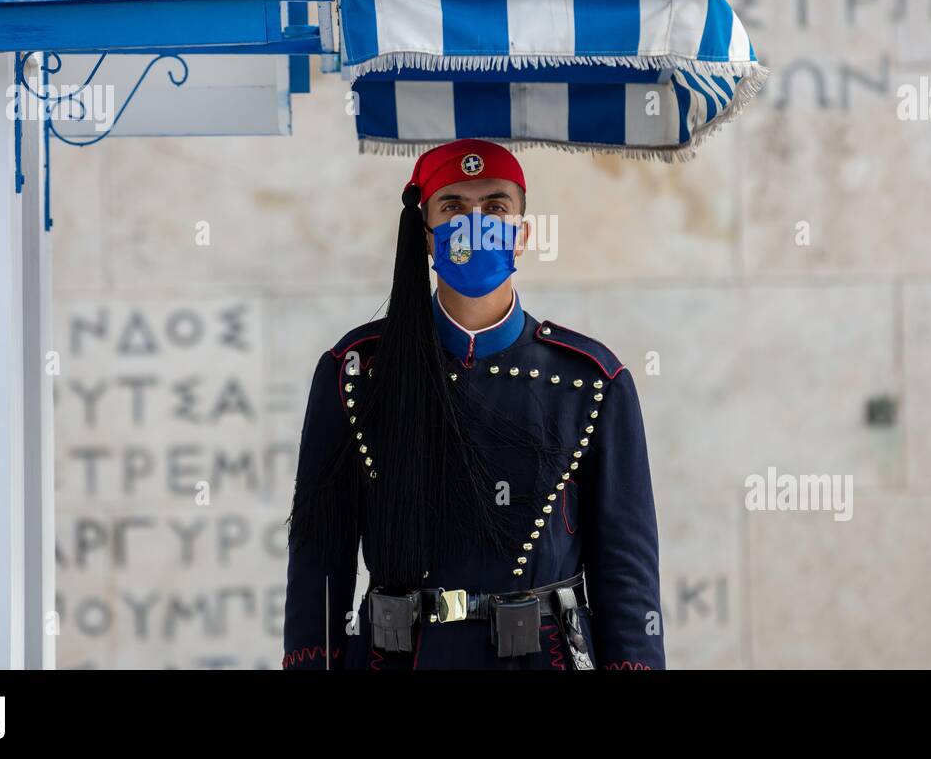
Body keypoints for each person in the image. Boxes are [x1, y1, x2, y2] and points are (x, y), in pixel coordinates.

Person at [282, 137, 665, 670]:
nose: (474, 222)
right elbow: (318, 562)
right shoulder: (356, 371)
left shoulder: (590, 381)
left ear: (522, 236)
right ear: (427, 236)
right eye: (453, 207)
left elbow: (626, 574)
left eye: (495, 207)